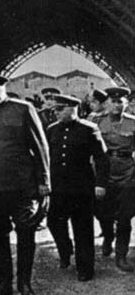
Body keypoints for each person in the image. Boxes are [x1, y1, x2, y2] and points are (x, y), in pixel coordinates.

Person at [0, 71, 50, 295]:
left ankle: (24, 284)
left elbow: (40, 146)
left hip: (20, 185)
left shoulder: (23, 109)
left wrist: (44, 181)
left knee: (25, 233)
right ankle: (4, 282)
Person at [46, 95, 109, 281]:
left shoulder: (89, 129)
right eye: (55, 110)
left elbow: (102, 159)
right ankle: (65, 250)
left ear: (73, 109)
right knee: (54, 222)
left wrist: (100, 184)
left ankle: (85, 268)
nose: (56, 113)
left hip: (82, 188)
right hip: (58, 188)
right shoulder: (52, 130)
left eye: (60, 109)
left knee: (83, 228)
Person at [94, 87, 135, 271]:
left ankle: (121, 256)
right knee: (103, 212)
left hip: (128, 172)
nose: (117, 105)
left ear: (126, 104)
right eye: (113, 101)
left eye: (120, 101)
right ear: (106, 103)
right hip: (104, 172)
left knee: (125, 217)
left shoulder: (133, 123)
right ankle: (108, 236)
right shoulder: (95, 122)